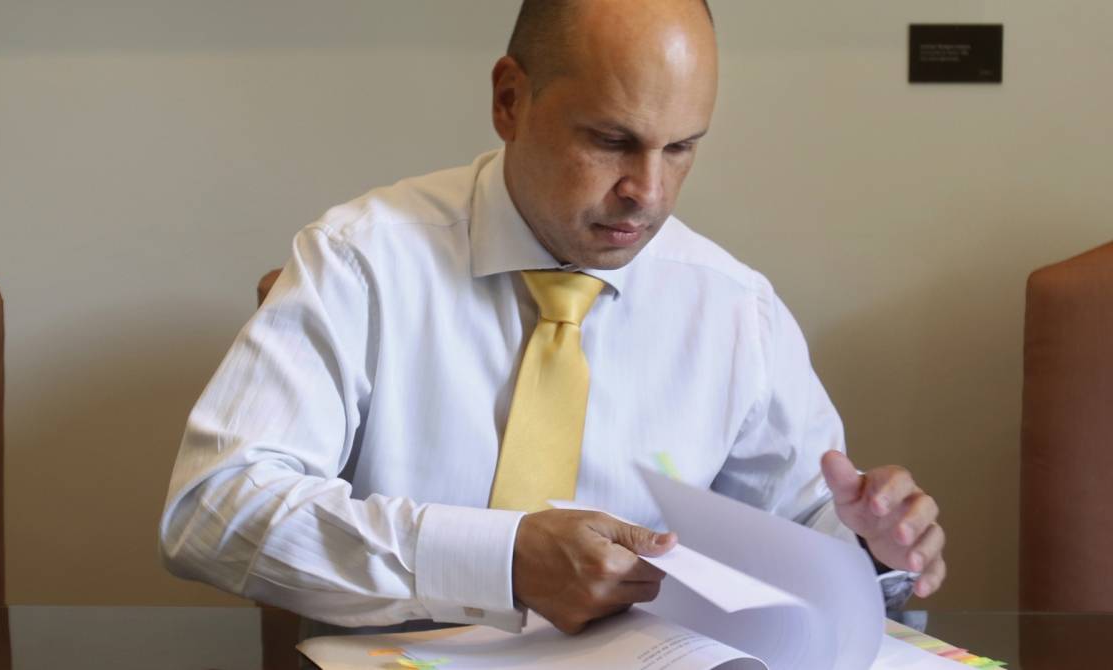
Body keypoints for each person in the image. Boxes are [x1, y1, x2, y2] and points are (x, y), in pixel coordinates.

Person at [160, 0, 946, 637]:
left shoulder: (735, 306)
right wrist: (499, 561)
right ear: (510, 100)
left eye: (681, 149)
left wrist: (872, 550)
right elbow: (213, 511)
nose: (650, 193)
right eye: (611, 141)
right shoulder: (361, 261)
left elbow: (800, 527)